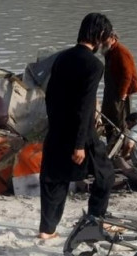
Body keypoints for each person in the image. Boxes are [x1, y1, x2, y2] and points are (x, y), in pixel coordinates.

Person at [39, 13, 119, 239]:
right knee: (105, 174)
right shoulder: (94, 65)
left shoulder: (62, 57)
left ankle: (47, 230)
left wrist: (54, 125)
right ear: (100, 35)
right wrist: (79, 144)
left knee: (54, 178)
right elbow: (85, 106)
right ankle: (93, 224)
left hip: (56, 127)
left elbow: (50, 96)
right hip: (80, 132)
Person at [101, 32, 137, 143]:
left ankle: (121, 145)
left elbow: (127, 75)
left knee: (119, 119)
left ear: (113, 38)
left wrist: (123, 93)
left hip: (119, 91)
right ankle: (111, 142)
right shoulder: (109, 51)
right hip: (110, 89)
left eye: (105, 39)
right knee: (106, 115)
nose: (102, 41)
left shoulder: (121, 52)